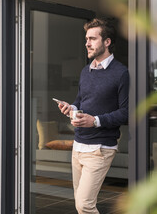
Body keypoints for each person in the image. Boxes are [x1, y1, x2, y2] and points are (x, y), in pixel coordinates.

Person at [57, 18, 129, 214]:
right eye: (86, 39)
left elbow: (126, 112)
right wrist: (70, 107)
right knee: (80, 205)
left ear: (107, 42)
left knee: (84, 205)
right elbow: (81, 100)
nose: (87, 43)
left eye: (92, 39)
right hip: (78, 146)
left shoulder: (121, 73)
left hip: (100, 149)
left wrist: (94, 121)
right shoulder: (85, 71)